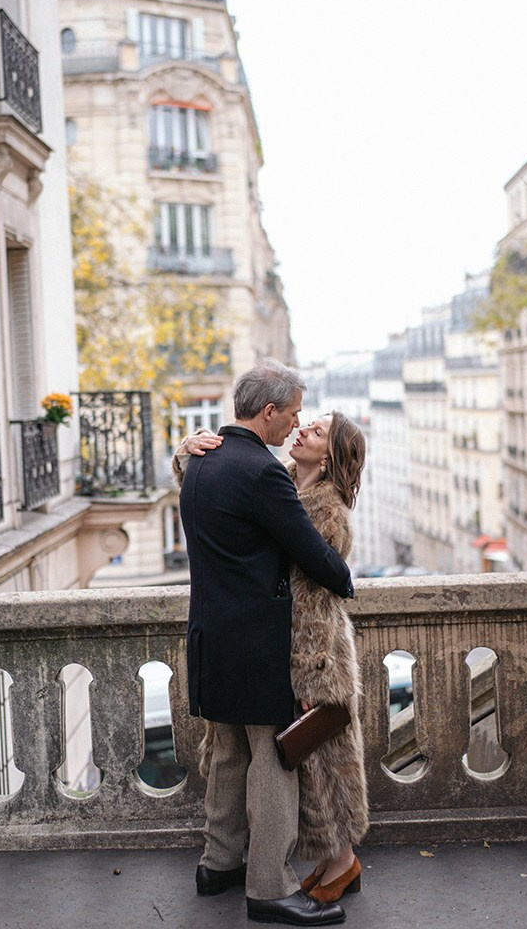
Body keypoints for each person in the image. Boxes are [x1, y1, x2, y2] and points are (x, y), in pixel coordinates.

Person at [178, 359, 353, 927]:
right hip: (258, 647)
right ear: (270, 410)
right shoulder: (263, 473)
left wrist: (181, 451)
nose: (296, 423)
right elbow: (312, 553)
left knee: (228, 754)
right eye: (295, 412)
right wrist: (345, 577)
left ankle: (218, 864)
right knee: (273, 761)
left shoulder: (201, 463)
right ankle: (269, 887)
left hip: (209, 638)